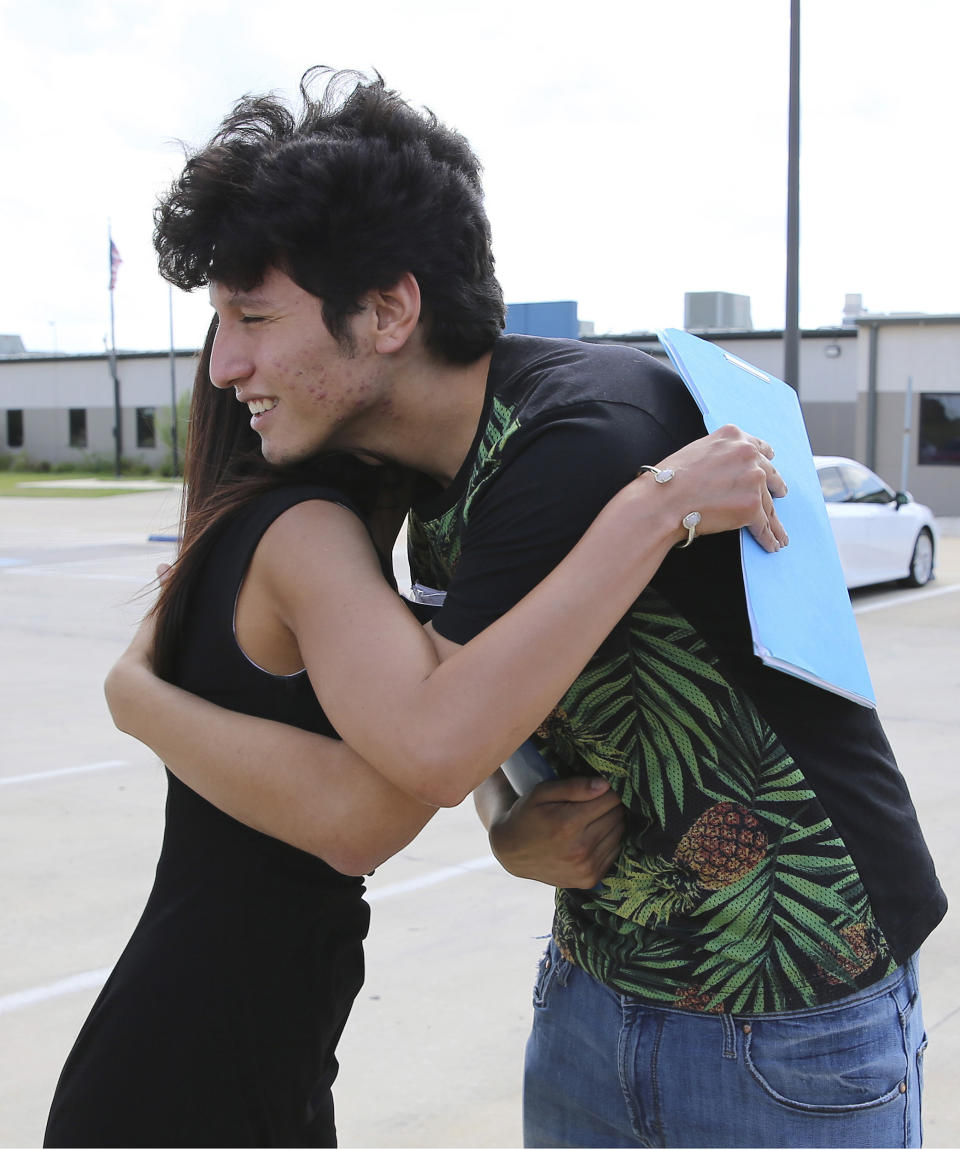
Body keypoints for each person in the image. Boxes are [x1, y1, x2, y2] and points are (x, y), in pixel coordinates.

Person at [103, 68, 944, 1148]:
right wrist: (510, 825)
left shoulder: (580, 434)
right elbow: (492, 708)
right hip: (602, 979)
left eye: (253, 317)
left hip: (785, 1018)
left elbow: (434, 741)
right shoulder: (411, 473)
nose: (225, 365)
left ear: (391, 309)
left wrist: (132, 695)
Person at [46, 313, 782, 1145]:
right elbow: (379, 801)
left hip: (214, 1028)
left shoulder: (242, 538)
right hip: (204, 1055)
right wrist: (655, 510)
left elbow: (445, 711)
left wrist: (506, 821)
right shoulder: (306, 531)